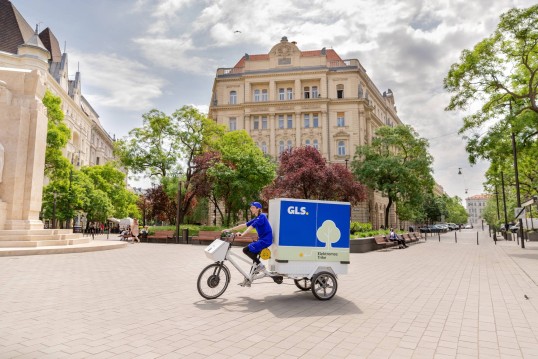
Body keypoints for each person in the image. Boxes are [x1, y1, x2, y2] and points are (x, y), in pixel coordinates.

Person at [223, 202, 273, 285]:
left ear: (258, 209)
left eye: (253, 207)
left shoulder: (262, 217)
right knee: (253, 257)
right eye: (251, 207)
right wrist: (230, 229)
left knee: (246, 250)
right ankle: (250, 279)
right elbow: (244, 225)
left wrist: (242, 234)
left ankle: (261, 266)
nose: (251, 209)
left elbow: (251, 227)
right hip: (262, 240)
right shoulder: (257, 218)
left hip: (265, 240)